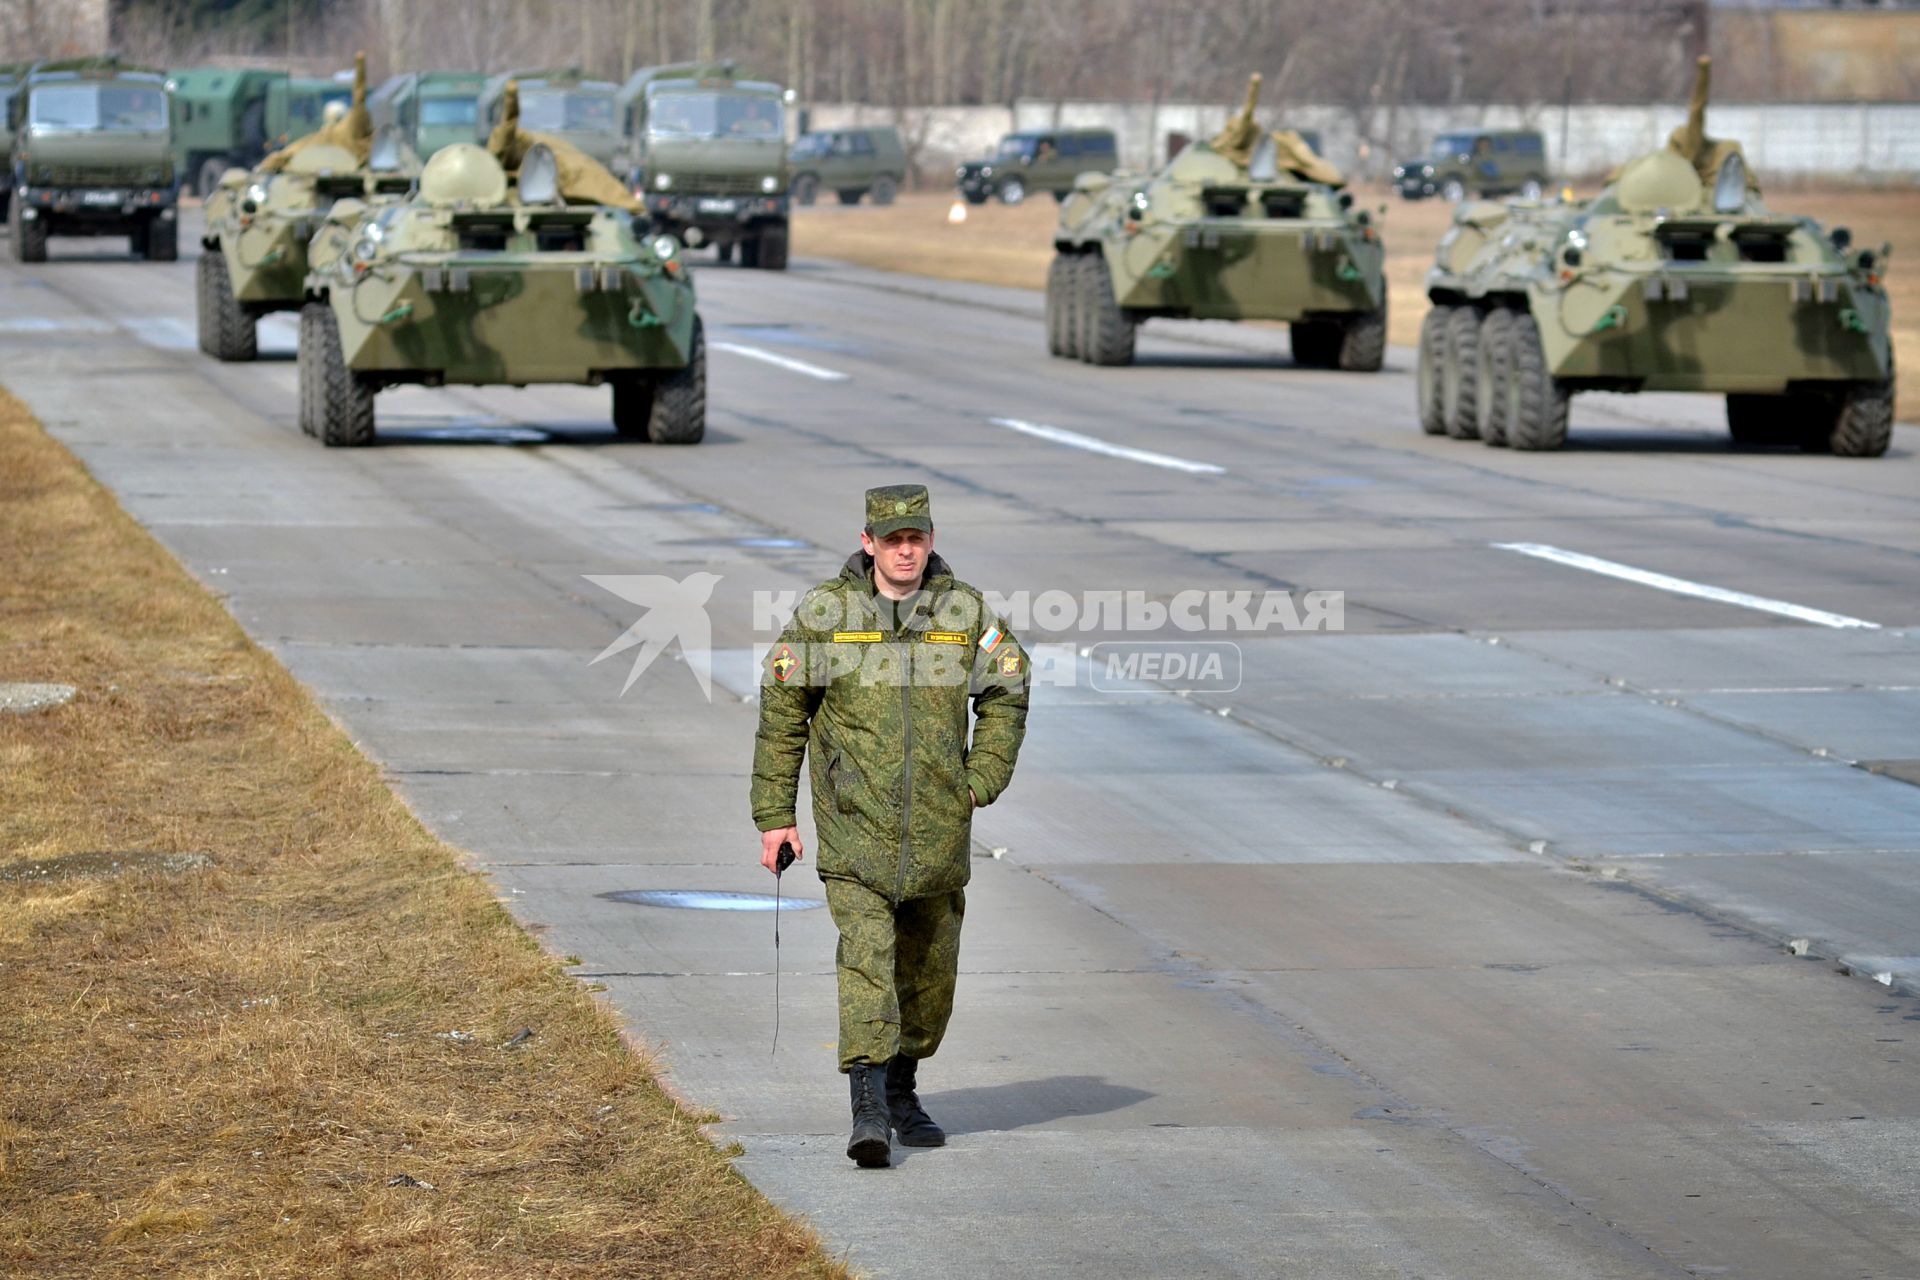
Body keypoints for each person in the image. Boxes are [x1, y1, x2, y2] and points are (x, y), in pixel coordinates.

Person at [751, 484, 1029, 1169]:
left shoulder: (961, 612)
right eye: (893, 538)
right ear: (869, 541)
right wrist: (775, 818)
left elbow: (1009, 687)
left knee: (929, 976)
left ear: (929, 540)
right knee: (868, 961)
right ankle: (869, 1109)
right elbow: (783, 714)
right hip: (855, 829)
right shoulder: (826, 614)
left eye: (918, 537)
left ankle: (903, 1088)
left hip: (938, 833)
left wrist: (981, 781)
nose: (906, 550)